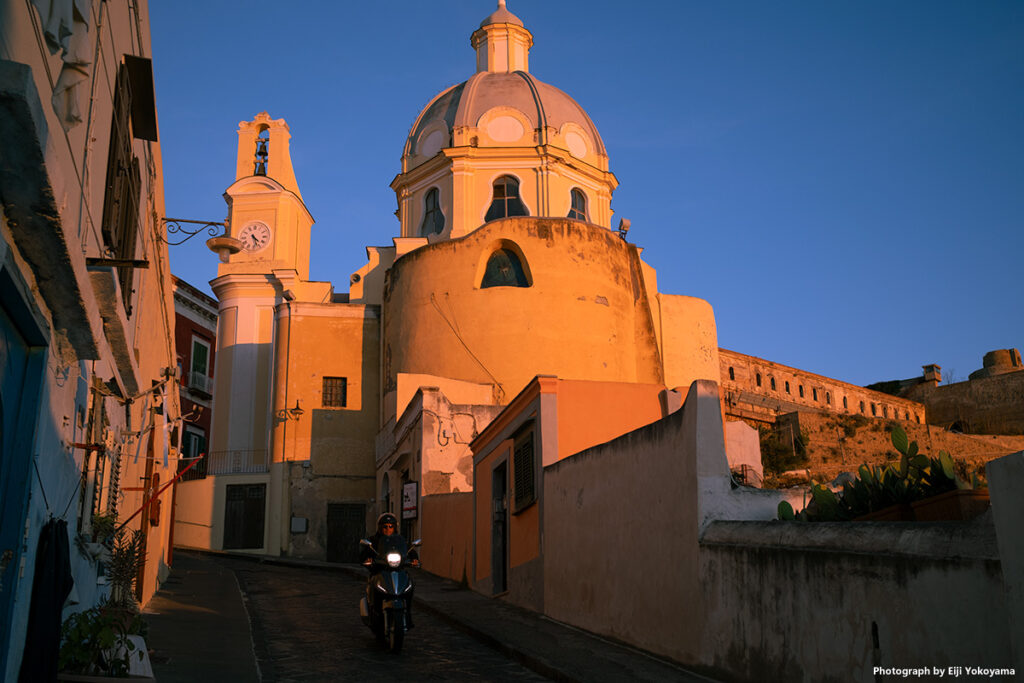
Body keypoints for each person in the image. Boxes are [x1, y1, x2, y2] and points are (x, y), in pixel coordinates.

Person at [361, 513, 419, 627]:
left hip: (398, 570)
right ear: (380, 527)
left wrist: (415, 559)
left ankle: (407, 614)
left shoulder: (400, 540)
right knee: (374, 584)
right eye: (385, 526)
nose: (388, 529)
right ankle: (375, 612)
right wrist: (368, 560)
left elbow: (410, 551)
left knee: (410, 584)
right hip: (379, 571)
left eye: (390, 526)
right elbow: (364, 554)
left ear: (395, 527)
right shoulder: (374, 541)